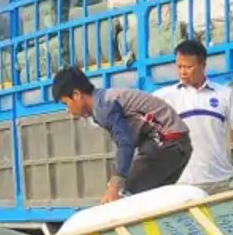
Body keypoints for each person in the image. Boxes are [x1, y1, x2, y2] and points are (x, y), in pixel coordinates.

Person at [51, 67, 194, 204]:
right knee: (152, 198)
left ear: (76, 95)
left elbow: (125, 144)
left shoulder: (104, 106)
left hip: (168, 142)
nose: (67, 110)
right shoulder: (103, 100)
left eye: (66, 103)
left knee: (126, 191)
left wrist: (114, 186)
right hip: (176, 144)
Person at [153, 40, 233, 188]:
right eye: (179, 66)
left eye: (189, 67)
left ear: (203, 65)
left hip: (220, 180)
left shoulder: (223, 94)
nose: (183, 72)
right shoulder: (164, 97)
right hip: (183, 184)